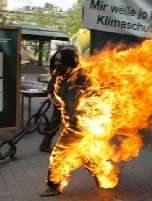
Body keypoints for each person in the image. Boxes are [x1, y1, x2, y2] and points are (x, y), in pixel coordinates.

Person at [40, 48, 91, 197]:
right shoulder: (59, 75)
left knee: (59, 153)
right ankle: (99, 173)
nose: (56, 63)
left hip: (79, 124)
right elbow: (54, 89)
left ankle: (53, 185)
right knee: (84, 154)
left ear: (69, 62)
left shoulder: (81, 77)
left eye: (59, 60)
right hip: (66, 120)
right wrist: (55, 100)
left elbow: (91, 95)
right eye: (55, 60)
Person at [39, 51, 61, 153]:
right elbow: (53, 80)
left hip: (69, 99)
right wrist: (50, 93)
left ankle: (45, 144)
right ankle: (45, 144)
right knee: (55, 122)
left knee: (57, 122)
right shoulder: (60, 68)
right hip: (62, 100)